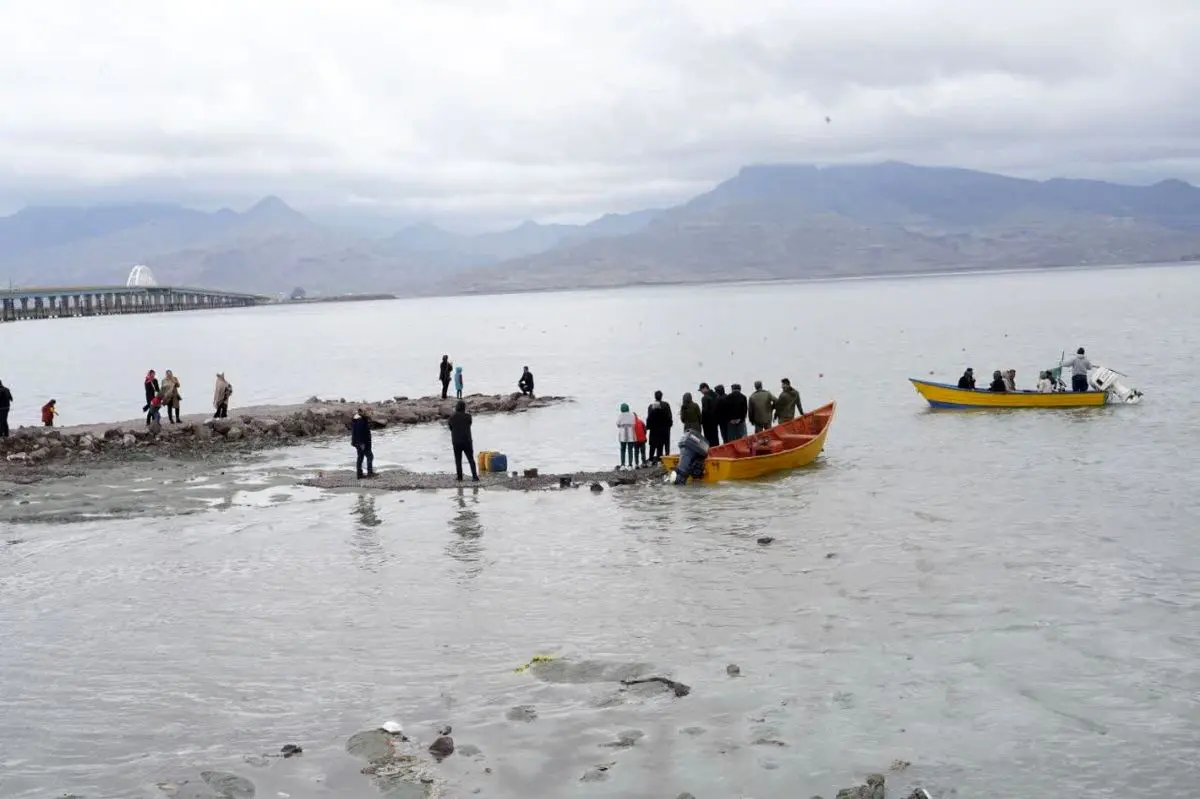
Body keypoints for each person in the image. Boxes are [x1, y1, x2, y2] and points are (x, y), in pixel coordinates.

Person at [447, 400, 479, 481]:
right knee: (471, 459)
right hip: (467, 440)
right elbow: (469, 424)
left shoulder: (452, 417)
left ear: (456, 407)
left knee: (458, 460)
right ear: (464, 408)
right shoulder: (468, 416)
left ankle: (460, 477)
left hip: (456, 441)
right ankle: (475, 476)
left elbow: (450, 428)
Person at [645, 390, 673, 463]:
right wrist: (669, 425)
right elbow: (669, 417)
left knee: (654, 444)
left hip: (654, 429)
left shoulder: (651, 407)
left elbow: (649, 418)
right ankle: (665, 458)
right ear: (661, 396)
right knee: (664, 444)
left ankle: (653, 459)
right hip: (664, 428)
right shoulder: (666, 405)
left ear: (655, 396)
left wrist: (648, 427)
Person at [351, 407, 376, 479]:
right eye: (367, 411)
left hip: (359, 442)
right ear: (362, 412)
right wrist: (361, 443)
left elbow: (356, 432)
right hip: (362, 442)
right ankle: (369, 473)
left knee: (360, 457)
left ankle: (359, 474)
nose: (368, 413)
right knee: (369, 456)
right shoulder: (360, 420)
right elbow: (359, 433)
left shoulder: (359, 419)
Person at [616, 403, 636, 468]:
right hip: (630, 433)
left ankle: (622, 464)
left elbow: (617, 424)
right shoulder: (632, 415)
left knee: (623, 449)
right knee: (630, 449)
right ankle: (630, 465)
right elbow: (634, 423)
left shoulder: (620, 415)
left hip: (622, 434)